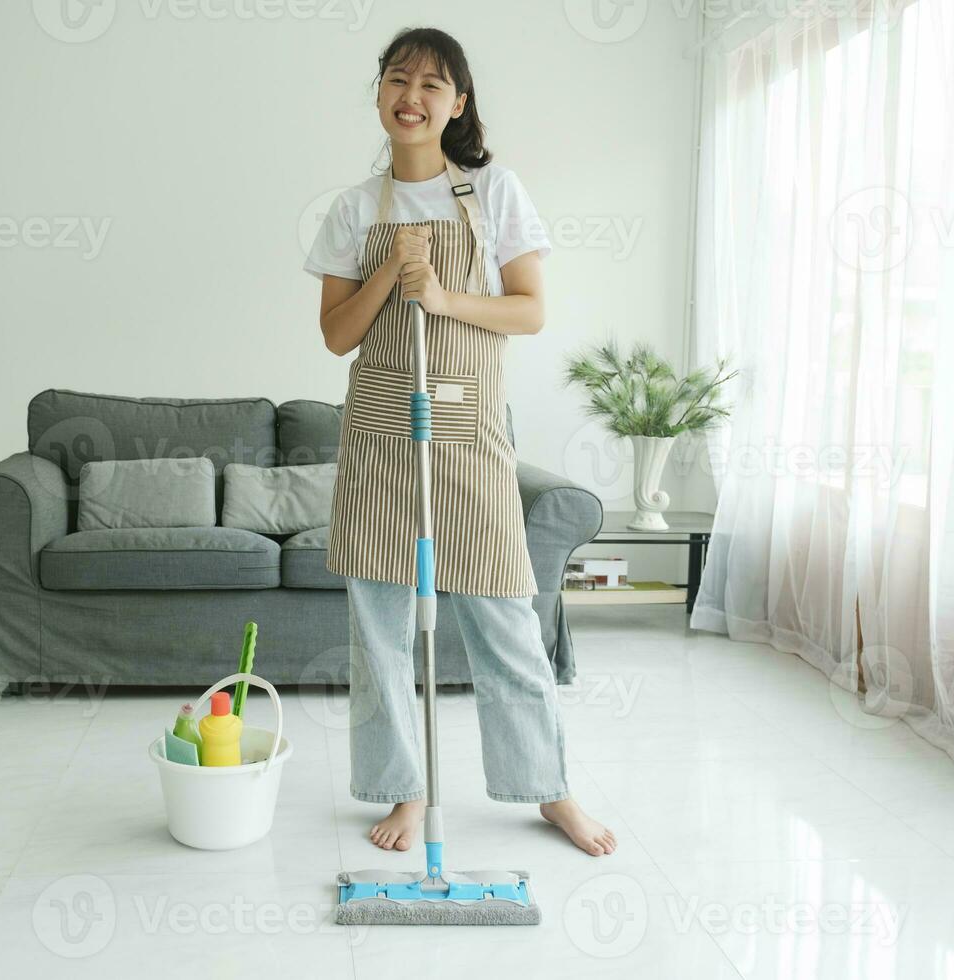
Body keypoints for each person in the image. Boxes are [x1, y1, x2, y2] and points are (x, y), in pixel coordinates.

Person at [303, 27, 616, 857]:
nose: (413, 95)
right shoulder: (350, 210)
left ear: (458, 103)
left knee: (507, 619)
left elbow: (528, 310)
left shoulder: (494, 192)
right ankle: (403, 789)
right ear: (379, 95)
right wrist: (386, 274)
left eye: (432, 84)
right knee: (379, 634)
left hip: (468, 434)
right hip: (377, 440)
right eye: (398, 79)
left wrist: (439, 295)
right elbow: (337, 336)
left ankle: (545, 789)